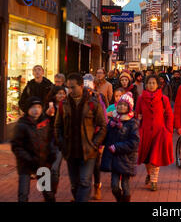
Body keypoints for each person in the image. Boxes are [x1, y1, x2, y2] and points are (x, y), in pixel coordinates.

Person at [54, 73, 107, 202]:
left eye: (73, 87)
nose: (70, 90)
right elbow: (57, 126)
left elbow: (103, 126)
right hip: (70, 150)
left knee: (84, 182)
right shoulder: (64, 104)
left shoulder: (93, 103)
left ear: (81, 86)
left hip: (88, 150)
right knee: (74, 185)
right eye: (68, 87)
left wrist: (95, 143)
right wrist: (61, 143)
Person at [11, 97, 56, 202]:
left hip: (42, 164)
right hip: (25, 165)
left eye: (39, 107)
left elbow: (51, 140)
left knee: (48, 193)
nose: (36, 110)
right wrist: (29, 159)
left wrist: (51, 156)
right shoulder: (21, 125)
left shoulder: (45, 122)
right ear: (27, 109)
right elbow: (16, 146)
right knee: (23, 194)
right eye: (33, 107)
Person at [136, 75, 174, 191]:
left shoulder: (164, 99)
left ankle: (154, 180)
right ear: (145, 85)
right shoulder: (141, 99)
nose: (151, 85)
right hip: (145, 132)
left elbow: (169, 115)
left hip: (159, 132)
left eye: (153, 83)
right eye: (149, 83)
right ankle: (149, 173)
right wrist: (138, 118)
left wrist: (168, 130)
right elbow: (136, 114)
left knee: (155, 158)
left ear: (158, 85)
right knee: (146, 159)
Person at [101, 92, 139, 202]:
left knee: (125, 185)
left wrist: (117, 147)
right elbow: (105, 137)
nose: (121, 106)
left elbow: (134, 142)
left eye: (124, 105)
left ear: (129, 107)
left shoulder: (132, 123)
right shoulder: (112, 121)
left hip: (127, 159)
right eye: (120, 104)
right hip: (114, 159)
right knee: (114, 186)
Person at [44, 86, 67, 202]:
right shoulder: (49, 106)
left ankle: (52, 193)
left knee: (54, 169)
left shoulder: (67, 107)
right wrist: (47, 114)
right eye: (59, 94)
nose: (61, 96)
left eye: (63, 93)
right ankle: (46, 194)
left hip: (60, 142)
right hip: (47, 141)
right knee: (44, 169)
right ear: (54, 95)